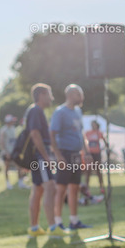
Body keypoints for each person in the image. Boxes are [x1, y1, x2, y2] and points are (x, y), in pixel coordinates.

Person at [50, 84, 90, 234]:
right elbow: (52, 134)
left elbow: (81, 133)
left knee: (75, 187)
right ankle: (58, 222)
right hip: (64, 154)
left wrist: (86, 152)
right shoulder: (60, 112)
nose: (82, 98)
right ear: (71, 95)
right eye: (79, 94)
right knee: (61, 188)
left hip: (76, 154)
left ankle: (74, 221)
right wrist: (58, 156)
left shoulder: (78, 111)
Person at [25, 83, 57, 237]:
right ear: (42, 95)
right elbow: (35, 134)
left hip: (38, 156)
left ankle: (34, 228)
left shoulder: (36, 111)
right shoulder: (36, 110)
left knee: (38, 189)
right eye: (49, 94)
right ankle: (53, 227)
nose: (52, 98)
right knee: (50, 187)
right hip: (40, 156)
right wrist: (46, 157)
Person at [0, 115, 28, 190]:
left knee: (19, 166)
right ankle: (8, 183)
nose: (13, 122)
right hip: (7, 152)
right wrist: (6, 152)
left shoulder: (13, 129)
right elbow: (2, 142)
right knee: (7, 167)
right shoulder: (4, 130)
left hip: (14, 152)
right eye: (12, 121)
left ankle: (20, 182)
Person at [84, 120, 106, 198]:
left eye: (94, 124)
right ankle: (86, 188)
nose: (93, 126)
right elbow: (84, 141)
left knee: (98, 171)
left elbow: (105, 142)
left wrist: (103, 148)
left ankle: (101, 187)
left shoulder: (99, 133)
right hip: (90, 154)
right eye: (92, 124)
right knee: (88, 171)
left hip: (97, 154)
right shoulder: (88, 133)